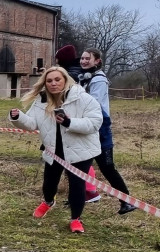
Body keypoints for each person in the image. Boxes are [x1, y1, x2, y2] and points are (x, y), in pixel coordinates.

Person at [9, 66, 102, 234]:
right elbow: (32, 123)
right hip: (53, 150)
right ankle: (48, 201)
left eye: (57, 80)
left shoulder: (83, 98)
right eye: (49, 81)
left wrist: (69, 122)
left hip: (80, 150)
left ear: (65, 80)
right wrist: (18, 117)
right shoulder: (41, 100)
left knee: (77, 185)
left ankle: (75, 219)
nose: (53, 84)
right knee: (49, 183)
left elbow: (95, 123)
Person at [79, 48, 136, 215]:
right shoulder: (83, 78)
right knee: (79, 166)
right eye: (82, 58)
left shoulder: (99, 80)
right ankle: (79, 196)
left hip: (100, 129)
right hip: (86, 127)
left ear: (97, 61)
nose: (83, 61)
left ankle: (126, 201)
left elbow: (92, 103)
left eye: (87, 58)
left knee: (108, 168)